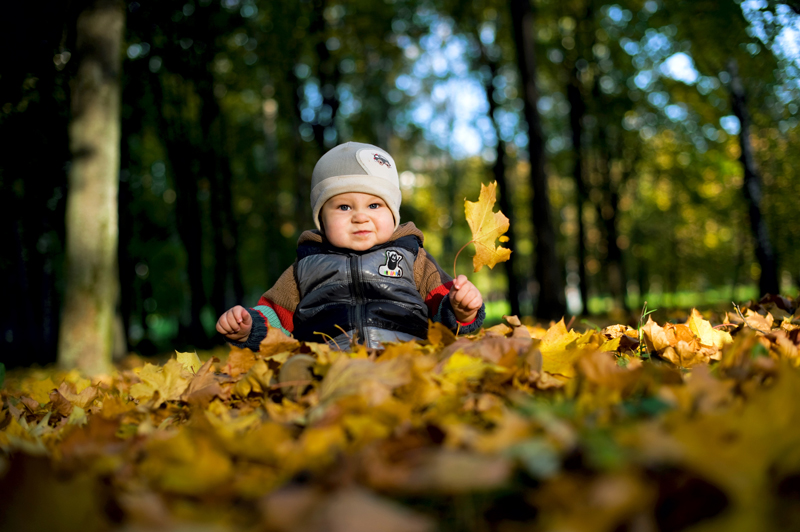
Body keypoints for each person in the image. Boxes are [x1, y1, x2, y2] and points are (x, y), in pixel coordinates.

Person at [216, 142, 485, 352]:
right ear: (321, 218)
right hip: (326, 363)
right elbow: (276, 314)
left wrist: (461, 308)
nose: (360, 216)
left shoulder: (413, 258)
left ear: (393, 213)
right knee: (293, 374)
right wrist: (249, 326)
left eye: (374, 205)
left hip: (404, 357)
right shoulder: (305, 266)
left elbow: (443, 307)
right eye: (344, 207)